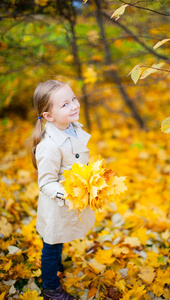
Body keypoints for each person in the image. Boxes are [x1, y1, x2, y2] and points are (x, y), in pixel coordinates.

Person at [31, 80, 95, 300]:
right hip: (59, 204)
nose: (74, 105)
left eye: (73, 99)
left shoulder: (72, 128)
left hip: (70, 200)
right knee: (52, 244)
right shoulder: (49, 145)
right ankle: (51, 288)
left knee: (59, 238)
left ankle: (59, 263)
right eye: (65, 104)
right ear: (48, 116)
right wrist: (70, 194)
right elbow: (46, 183)